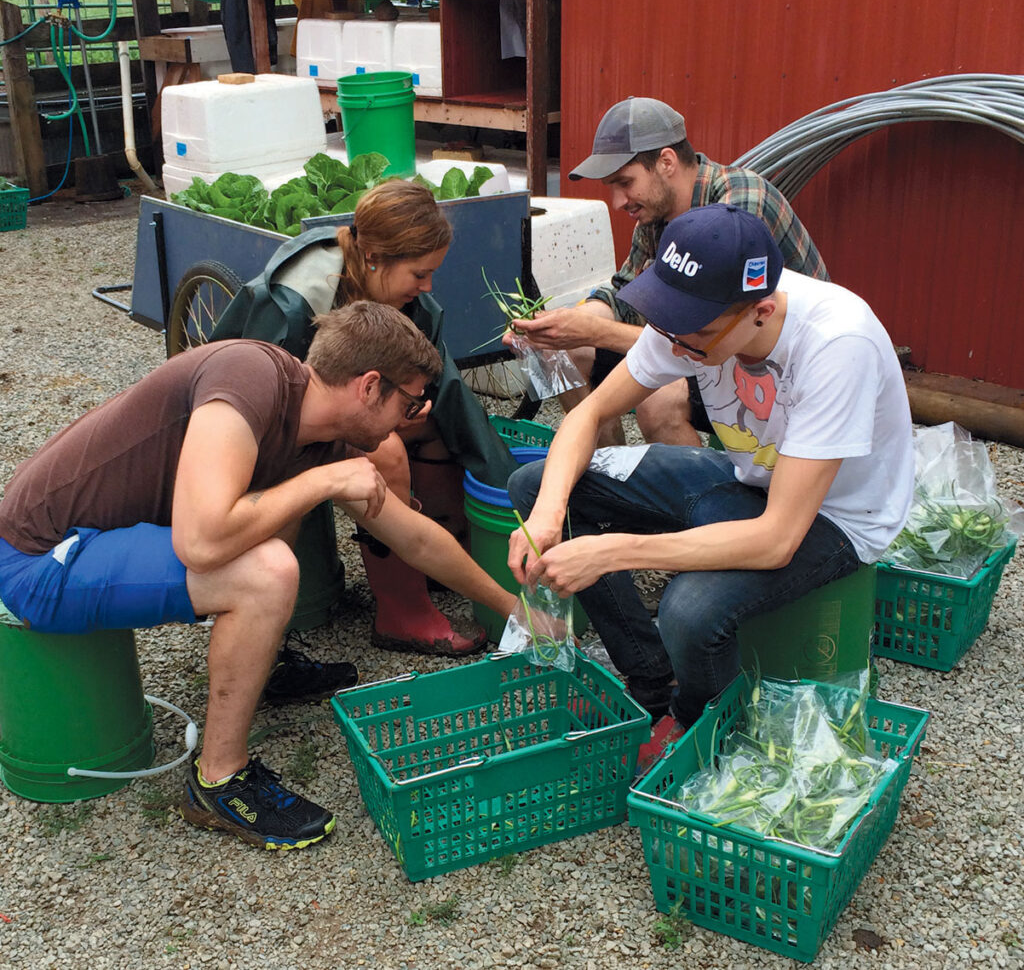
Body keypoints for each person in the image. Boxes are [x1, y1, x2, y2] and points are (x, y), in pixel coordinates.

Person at [0, 302, 517, 849]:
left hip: (95, 542)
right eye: (411, 401)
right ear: (369, 387)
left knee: (273, 525)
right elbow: (200, 542)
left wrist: (512, 607)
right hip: (40, 558)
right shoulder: (248, 377)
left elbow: (413, 536)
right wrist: (322, 484)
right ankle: (219, 780)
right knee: (265, 570)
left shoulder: (323, 432)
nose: (414, 417)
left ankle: (260, 662)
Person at [506, 204, 913, 773]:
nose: (672, 343)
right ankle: (649, 677)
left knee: (689, 609)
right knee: (535, 483)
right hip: (748, 477)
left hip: (836, 518)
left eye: (692, 335)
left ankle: (703, 725)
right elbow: (586, 414)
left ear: (761, 312)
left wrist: (613, 550)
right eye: (668, 323)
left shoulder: (838, 344)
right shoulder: (694, 316)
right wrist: (549, 517)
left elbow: (777, 539)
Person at [212, 180, 521, 657]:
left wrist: (511, 495)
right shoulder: (293, 306)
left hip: (343, 415)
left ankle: (445, 562)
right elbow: (262, 410)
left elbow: (454, 395)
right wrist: (375, 429)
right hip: (276, 432)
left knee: (436, 426)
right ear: (374, 255)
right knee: (389, 452)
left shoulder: (410, 303)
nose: (428, 287)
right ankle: (403, 609)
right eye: (420, 274)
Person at [504, 96, 829, 447]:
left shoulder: (739, 208)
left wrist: (595, 331)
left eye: (624, 182)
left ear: (666, 162)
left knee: (657, 400)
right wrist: (561, 325)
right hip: (704, 342)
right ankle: (607, 472)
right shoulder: (656, 212)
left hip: (768, 361)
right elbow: (625, 293)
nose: (617, 201)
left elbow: (708, 334)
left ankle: (699, 498)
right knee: (561, 352)